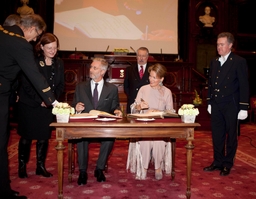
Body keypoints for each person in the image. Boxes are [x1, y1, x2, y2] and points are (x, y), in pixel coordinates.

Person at [0, 14, 58, 199]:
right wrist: (54, 101)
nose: (35, 39)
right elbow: (35, 76)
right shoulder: (20, 44)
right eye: (37, 35)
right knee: (1, 144)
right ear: (32, 28)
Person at [17, 33, 64, 179]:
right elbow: (26, 84)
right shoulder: (33, 61)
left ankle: (40, 166)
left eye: (55, 48)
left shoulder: (59, 63)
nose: (52, 51)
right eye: (49, 48)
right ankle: (22, 166)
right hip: (31, 105)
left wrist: (51, 100)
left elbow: (60, 85)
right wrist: (41, 100)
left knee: (43, 137)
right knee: (27, 136)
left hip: (48, 107)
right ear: (41, 47)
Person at [204, 32, 249, 176]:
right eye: (217, 44)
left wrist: (243, 107)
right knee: (217, 135)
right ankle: (217, 161)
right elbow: (211, 84)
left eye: (222, 44)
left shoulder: (238, 61)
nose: (219, 47)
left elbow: (244, 85)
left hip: (232, 105)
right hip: (217, 104)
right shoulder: (214, 62)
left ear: (230, 45)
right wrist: (210, 101)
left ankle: (227, 163)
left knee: (231, 136)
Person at [72, 57, 122, 185]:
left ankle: (99, 169)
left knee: (110, 138)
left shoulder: (111, 89)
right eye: (91, 67)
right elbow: (73, 106)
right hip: (85, 124)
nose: (91, 70)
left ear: (102, 72)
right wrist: (76, 108)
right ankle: (82, 171)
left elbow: (114, 107)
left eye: (95, 68)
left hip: (102, 124)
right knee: (81, 138)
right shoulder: (80, 87)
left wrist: (117, 111)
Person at [127, 63, 174, 180]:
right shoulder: (143, 89)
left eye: (154, 77)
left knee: (158, 142)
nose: (151, 79)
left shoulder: (167, 92)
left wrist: (158, 111)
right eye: (150, 76)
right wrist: (139, 107)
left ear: (161, 79)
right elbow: (133, 108)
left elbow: (171, 112)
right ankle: (144, 167)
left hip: (160, 126)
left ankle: (158, 167)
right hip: (144, 125)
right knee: (146, 141)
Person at [123, 47, 150, 114]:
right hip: (133, 101)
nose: (141, 58)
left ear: (147, 57)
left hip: (148, 102)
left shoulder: (152, 69)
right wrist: (132, 96)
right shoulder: (129, 69)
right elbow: (126, 86)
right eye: (139, 55)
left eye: (143, 56)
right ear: (136, 57)